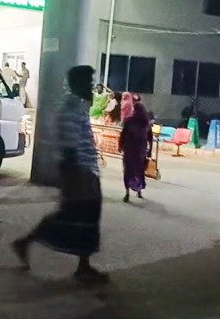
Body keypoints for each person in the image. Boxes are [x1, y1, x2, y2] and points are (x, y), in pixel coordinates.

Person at [12, 65, 108, 284]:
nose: (91, 86)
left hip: (85, 168)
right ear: (78, 84)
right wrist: (79, 178)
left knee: (85, 216)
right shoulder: (70, 109)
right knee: (73, 215)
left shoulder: (77, 106)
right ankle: (27, 242)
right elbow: (70, 148)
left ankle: (83, 265)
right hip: (80, 170)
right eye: (88, 82)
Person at [119, 102, 152, 202]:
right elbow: (150, 139)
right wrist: (150, 151)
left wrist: (120, 146)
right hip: (141, 151)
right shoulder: (146, 124)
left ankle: (127, 193)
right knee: (139, 171)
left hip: (129, 149)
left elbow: (123, 135)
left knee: (128, 170)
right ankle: (139, 191)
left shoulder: (129, 121)